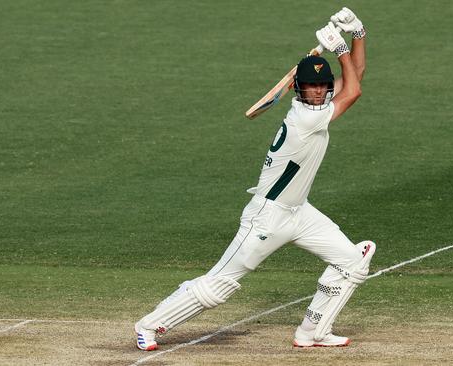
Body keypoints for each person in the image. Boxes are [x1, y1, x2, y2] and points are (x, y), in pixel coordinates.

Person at [134, 7, 375, 350]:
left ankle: (313, 331)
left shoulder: (317, 109)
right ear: (298, 88)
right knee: (221, 285)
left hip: (299, 212)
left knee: (353, 261)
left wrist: (358, 35)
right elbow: (353, 92)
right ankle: (149, 324)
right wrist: (339, 51)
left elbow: (356, 77)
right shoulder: (304, 119)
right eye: (311, 87)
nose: (319, 92)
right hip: (267, 216)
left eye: (322, 86)